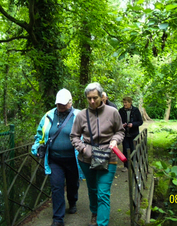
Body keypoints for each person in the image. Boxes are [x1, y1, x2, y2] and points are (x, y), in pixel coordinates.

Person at [70, 82, 125, 226]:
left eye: (95, 97)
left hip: (109, 157)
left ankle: (101, 223)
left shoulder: (113, 112)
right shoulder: (81, 115)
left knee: (103, 193)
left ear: (102, 96)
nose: (92, 101)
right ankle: (94, 213)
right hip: (87, 159)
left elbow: (120, 131)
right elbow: (74, 136)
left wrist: (115, 140)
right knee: (92, 189)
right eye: (89, 98)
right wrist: (83, 149)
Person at [31, 88, 84, 226]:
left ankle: (72, 201)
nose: (60, 106)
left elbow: (87, 134)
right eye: (58, 103)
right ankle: (58, 219)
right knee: (56, 187)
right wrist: (37, 147)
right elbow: (39, 136)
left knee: (73, 185)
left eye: (63, 103)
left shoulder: (78, 115)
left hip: (73, 160)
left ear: (70, 102)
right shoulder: (48, 116)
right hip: (54, 160)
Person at [118, 96, 143, 172]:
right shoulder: (121, 111)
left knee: (133, 149)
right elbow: (118, 121)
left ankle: (133, 165)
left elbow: (140, 121)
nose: (124, 104)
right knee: (125, 150)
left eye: (126, 102)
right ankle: (126, 166)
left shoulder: (135, 110)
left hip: (134, 134)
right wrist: (122, 125)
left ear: (130, 103)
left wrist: (133, 124)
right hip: (125, 134)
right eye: (123, 102)